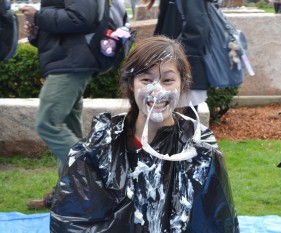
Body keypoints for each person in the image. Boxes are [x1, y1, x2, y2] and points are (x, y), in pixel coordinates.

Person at [50, 36, 239, 232]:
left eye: (168, 80)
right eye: (146, 80)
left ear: (182, 84)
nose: (157, 91)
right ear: (132, 84)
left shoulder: (199, 150)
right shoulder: (100, 147)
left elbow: (214, 223)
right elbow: (75, 221)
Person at [19, 0, 101, 209]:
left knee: (48, 124)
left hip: (71, 62)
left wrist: (39, 16)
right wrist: (39, 31)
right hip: (67, 59)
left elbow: (82, 18)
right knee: (68, 126)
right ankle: (72, 194)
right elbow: (68, 23)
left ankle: (94, 183)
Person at [143, 0, 210, 119]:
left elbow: (196, 31)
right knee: (171, 128)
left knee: (181, 128)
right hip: (174, 73)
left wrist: (168, 55)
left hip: (182, 74)